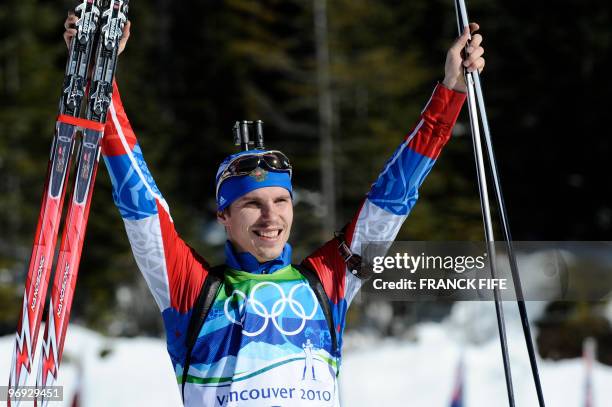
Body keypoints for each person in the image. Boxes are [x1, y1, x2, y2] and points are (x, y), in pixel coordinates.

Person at [64, 12, 484, 407]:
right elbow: (139, 200)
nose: (271, 217)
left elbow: (392, 198)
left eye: (281, 201)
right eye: (251, 204)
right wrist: (100, 81)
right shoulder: (191, 289)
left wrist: (450, 93)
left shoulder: (328, 281)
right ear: (223, 216)